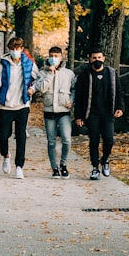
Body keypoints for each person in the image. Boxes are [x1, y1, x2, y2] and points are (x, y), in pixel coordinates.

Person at [0, 36, 39, 179]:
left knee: (21, 136)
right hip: (6, 106)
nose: (15, 51)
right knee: (3, 136)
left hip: (22, 105)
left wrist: (33, 89)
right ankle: (5, 155)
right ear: (9, 50)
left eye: (18, 48)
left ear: (22, 49)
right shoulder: (3, 65)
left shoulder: (28, 64)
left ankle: (19, 166)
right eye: (13, 49)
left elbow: (38, 77)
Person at [74, 48, 125, 180]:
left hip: (108, 113)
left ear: (104, 59)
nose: (97, 60)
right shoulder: (84, 75)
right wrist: (78, 116)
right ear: (90, 59)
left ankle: (105, 161)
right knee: (94, 141)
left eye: (99, 57)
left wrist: (120, 107)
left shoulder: (112, 74)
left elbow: (119, 92)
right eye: (94, 58)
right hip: (92, 114)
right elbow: (78, 97)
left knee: (109, 139)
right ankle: (95, 167)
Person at [34, 46, 76, 178]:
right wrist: (50, 74)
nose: (53, 58)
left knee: (66, 139)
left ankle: (63, 164)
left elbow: (74, 89)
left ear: (61, 57)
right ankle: (54, 168)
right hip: (49, 110)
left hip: (64, 110)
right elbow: (40, 88)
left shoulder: (69, 73)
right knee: (51, 141)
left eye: (56, 56)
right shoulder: (42, 72)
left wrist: (72, 100)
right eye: (51, 55)